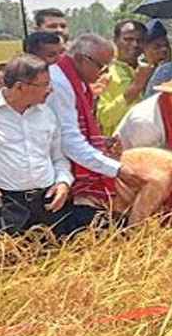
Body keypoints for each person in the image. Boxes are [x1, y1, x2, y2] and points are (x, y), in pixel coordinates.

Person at [46, 34, 146, 231]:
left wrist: (100, 143)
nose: (104, 72)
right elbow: (70, 141)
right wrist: (116, 169)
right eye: (101, 65)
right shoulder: (59, 83)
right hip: (54, 171)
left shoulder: (78, 83)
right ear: (82, 59)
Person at [0, 55, 74, 235]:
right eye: (45, 84)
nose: (50, 90)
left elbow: (58, 157)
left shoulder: (47, 113)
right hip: (3, 205)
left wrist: (63, 182)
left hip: (47, 203)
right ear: (20, 86)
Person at [95, 21, 151, 135]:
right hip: (118, 147)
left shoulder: (150, 70)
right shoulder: (105, 74)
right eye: (128, 39)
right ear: (115, 40)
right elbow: (104, 118)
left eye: (140, 41)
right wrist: (135, 88)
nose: (135, 44)